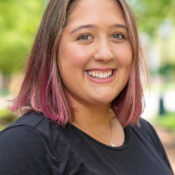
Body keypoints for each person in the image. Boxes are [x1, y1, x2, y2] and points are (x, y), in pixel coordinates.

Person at [0, 0, 173, 174]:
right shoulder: (23, 146)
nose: (105, 53)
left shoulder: (144, 132)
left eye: (118, 35)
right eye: (85, 36)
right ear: (52, 49)